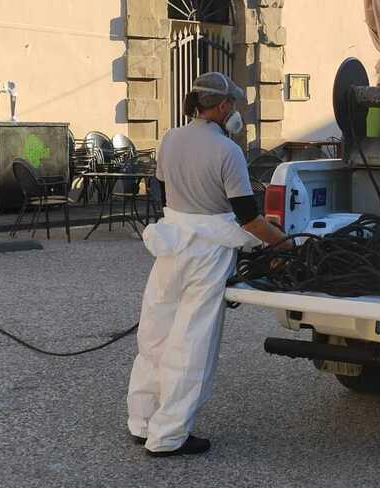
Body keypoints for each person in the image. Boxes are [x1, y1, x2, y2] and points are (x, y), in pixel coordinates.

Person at [127, 72, 290, 457]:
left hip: (171, 245)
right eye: (232, 104)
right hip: (207, 254)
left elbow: (165, 195)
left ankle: (142, 420)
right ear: (223, 106)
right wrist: (283, 242)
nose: (234, 111)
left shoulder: (169, 139)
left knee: (155, 334)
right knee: (192, 342)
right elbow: (248, 218)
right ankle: (168, 436)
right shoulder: (227, 151)